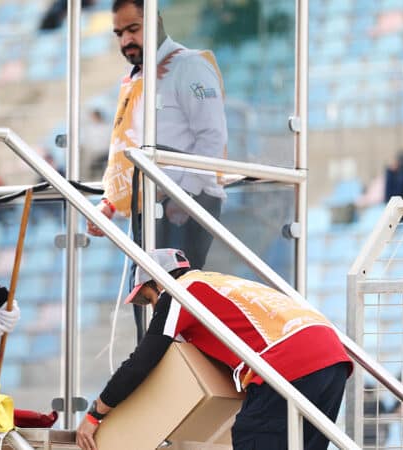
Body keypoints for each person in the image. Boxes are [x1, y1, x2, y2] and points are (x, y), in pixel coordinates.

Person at [75, 248, 352, 450]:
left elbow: (143, 359)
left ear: (158, 282)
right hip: (330, 354)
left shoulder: (180, 291)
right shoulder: (219, 284)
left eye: (149, 299)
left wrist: (96, 413)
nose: (153, 308)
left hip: (289, 358)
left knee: (251, 435)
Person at [87, 0, 227, 340]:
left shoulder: (188, 66)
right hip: (147, 207)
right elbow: (124, 148)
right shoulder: (136, 79)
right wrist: (109, 203)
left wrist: (185, 197)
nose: (125, 42)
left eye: (133, 29)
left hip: (184, 208)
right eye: (119, 33)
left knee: (175, 319)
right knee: (149, 317)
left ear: (157, 21)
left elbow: (212, 136)